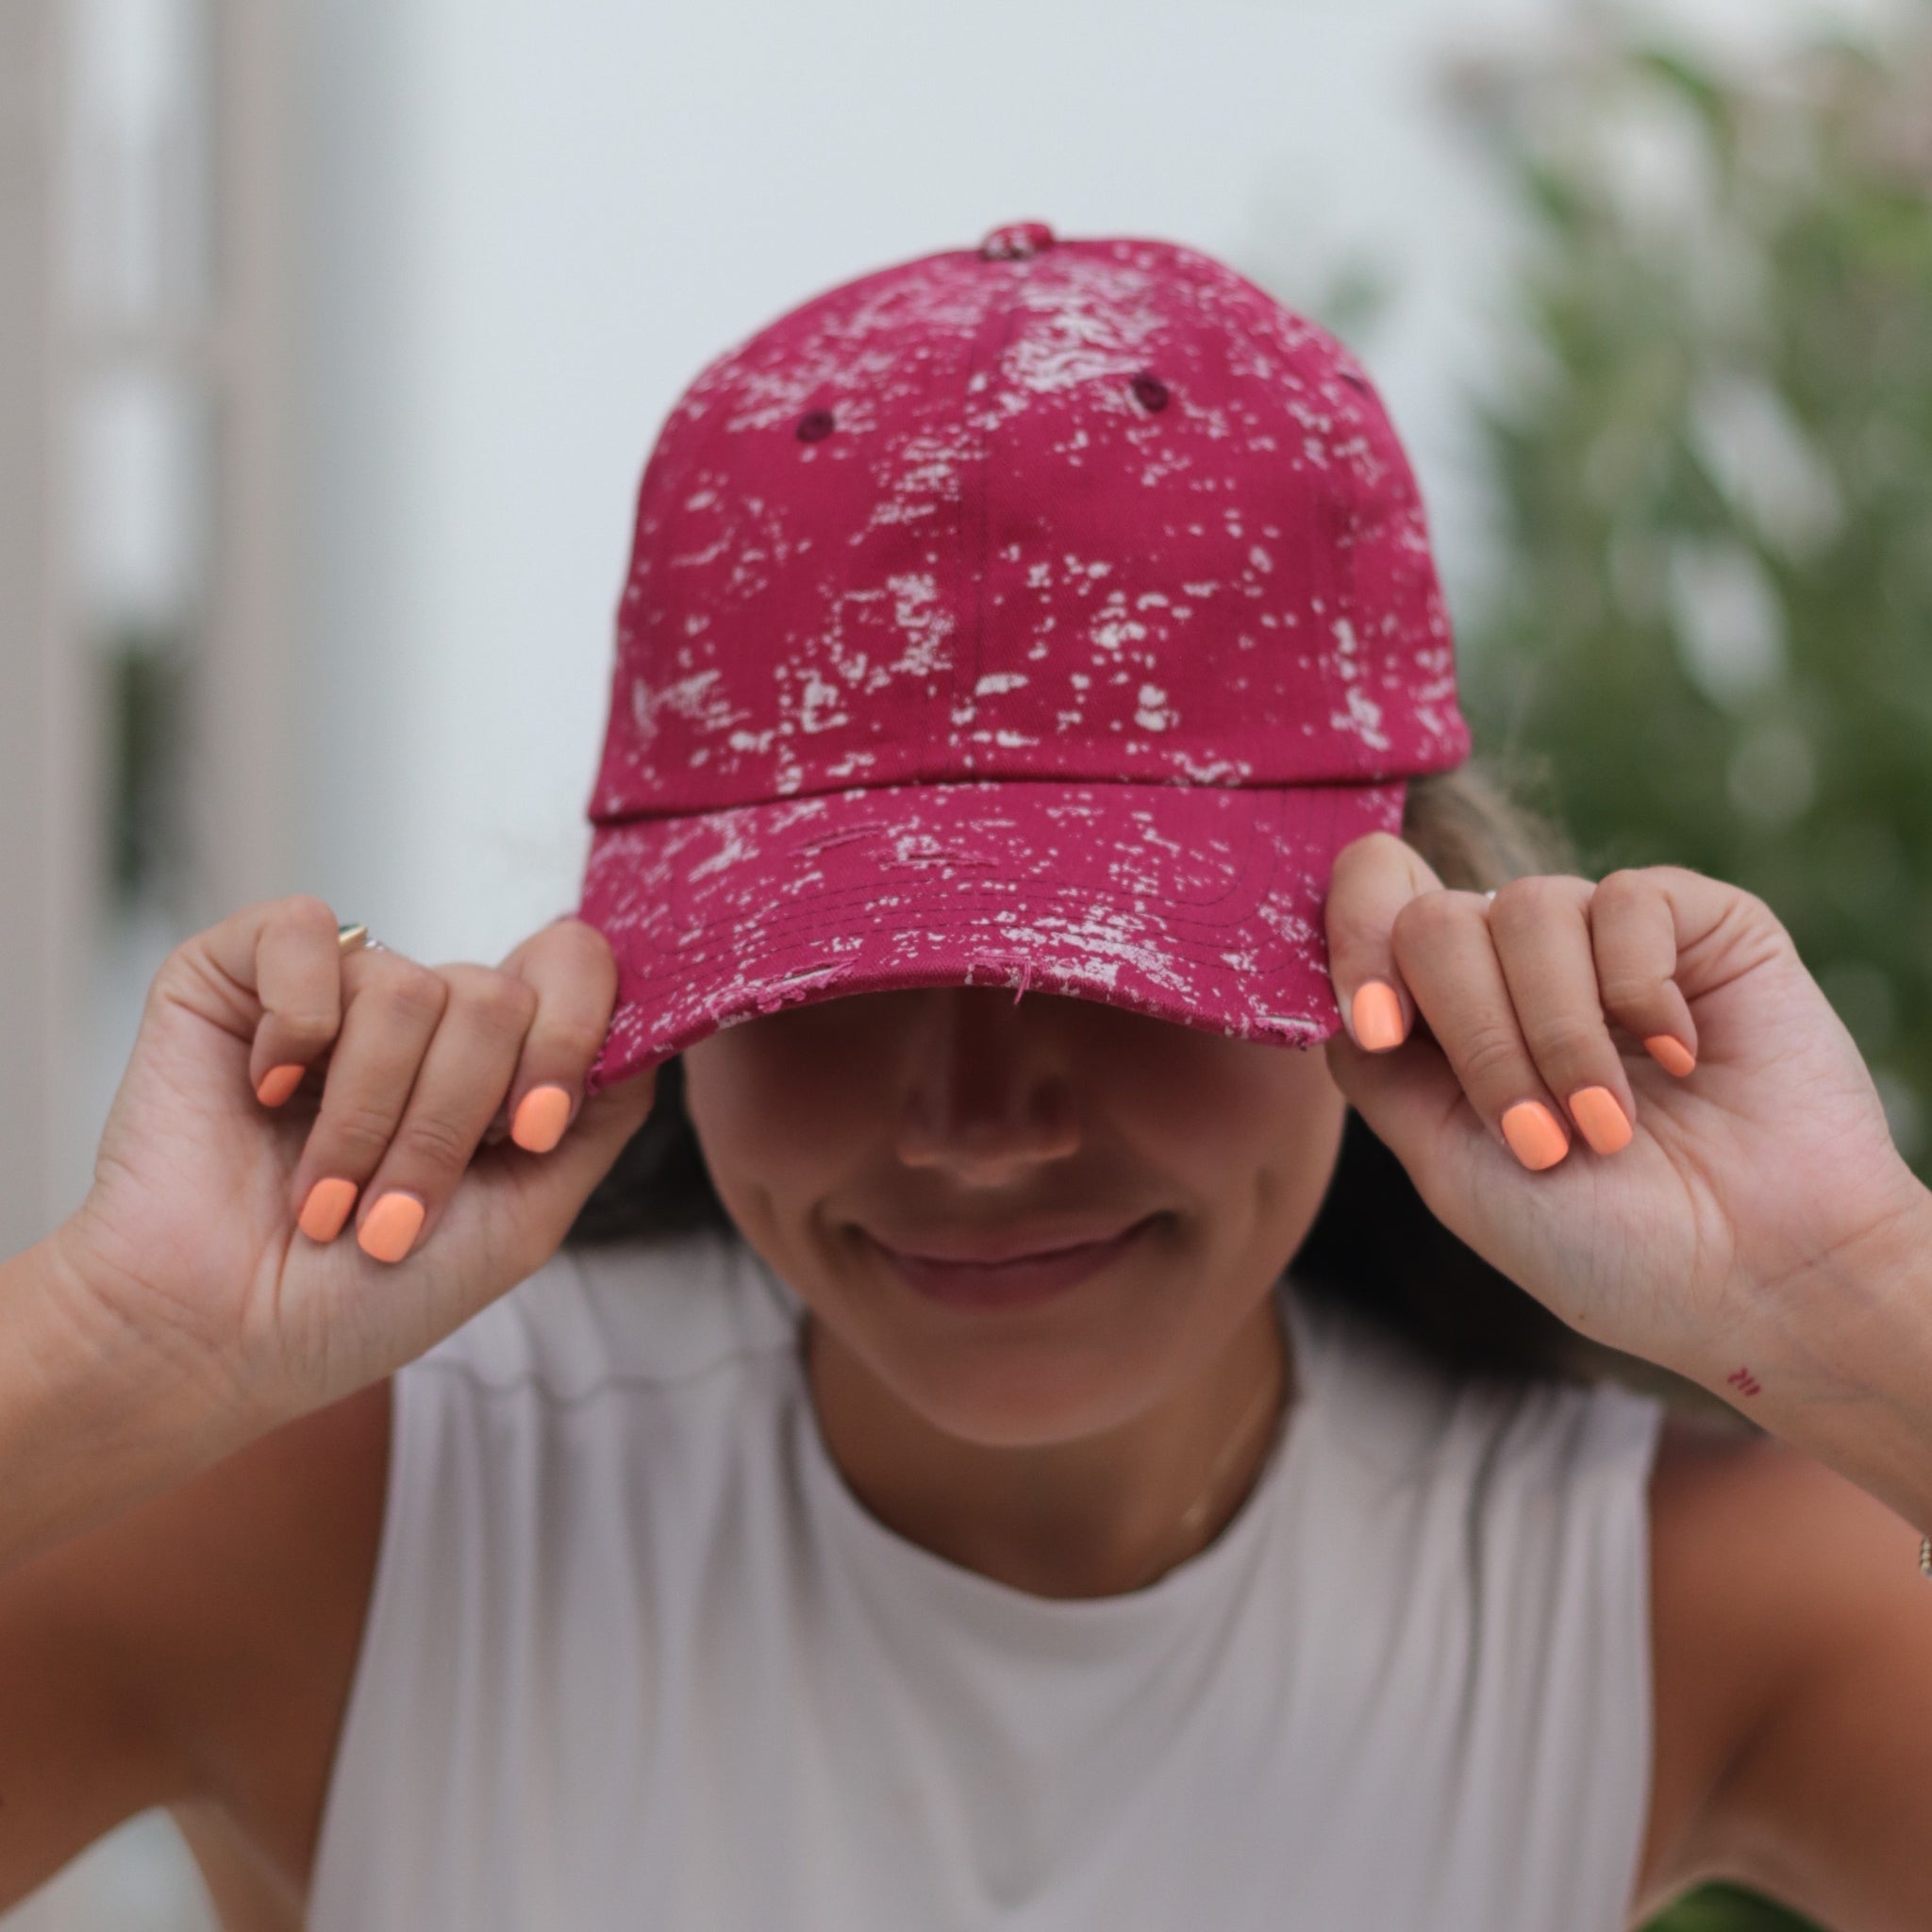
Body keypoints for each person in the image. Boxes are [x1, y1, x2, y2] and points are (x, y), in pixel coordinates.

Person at [3, 221, 1930, 1932]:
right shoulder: (367, 1530)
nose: (976, 1121)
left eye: (1127, 967)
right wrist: (120, 1349)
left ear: (1403, 935)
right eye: (832, 977)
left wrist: (1848, 1297)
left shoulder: (1643, 1594)